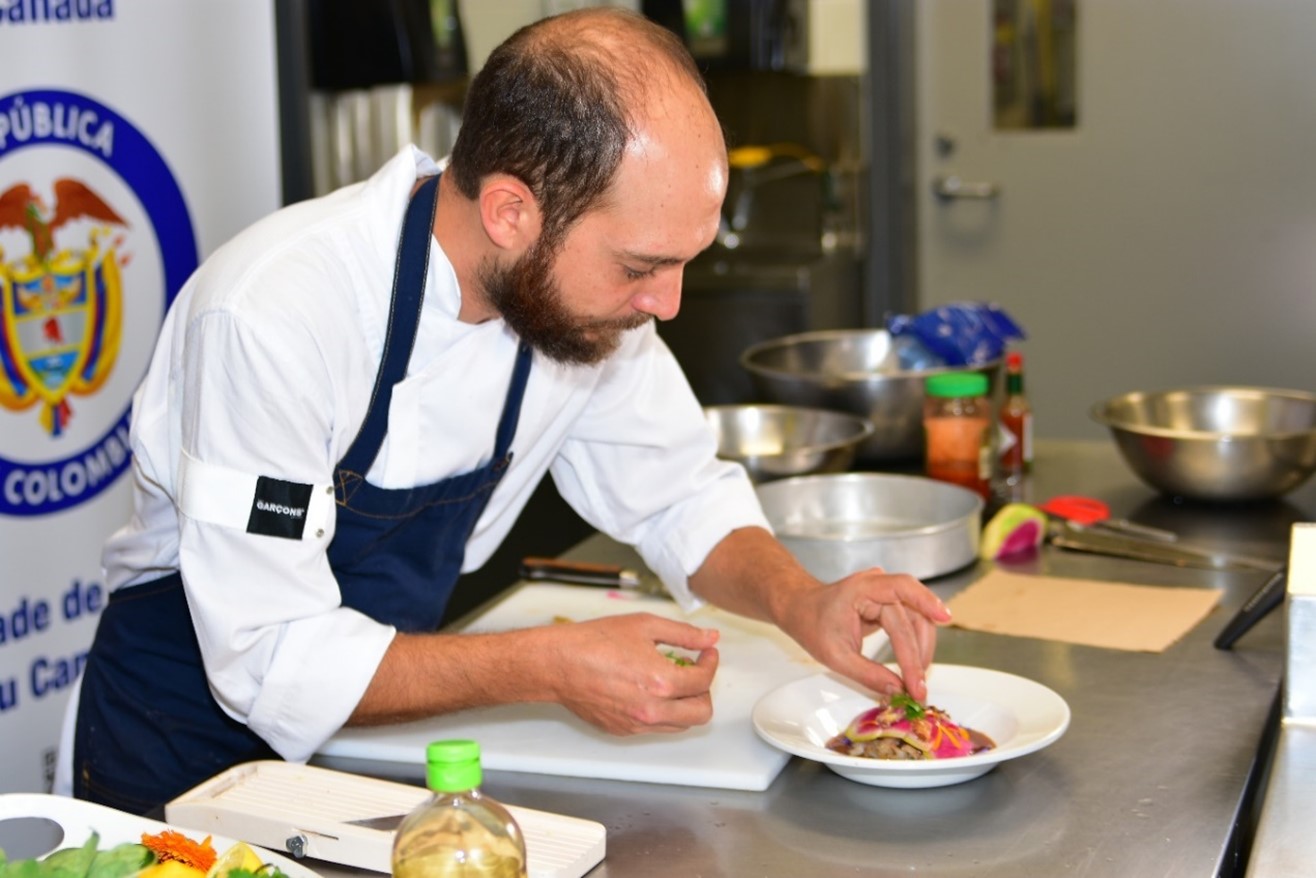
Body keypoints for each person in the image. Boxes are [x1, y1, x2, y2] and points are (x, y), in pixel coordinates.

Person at [60, 7, 950, 815]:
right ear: (511, 211)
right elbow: (266, 658)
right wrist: (547, 666)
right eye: (641, 266)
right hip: (178, 757)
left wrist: (801, 601)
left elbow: (677, 493)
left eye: (683, 264)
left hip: (370, 744)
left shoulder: (581, 311)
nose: (668, 305)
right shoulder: (275, 316)